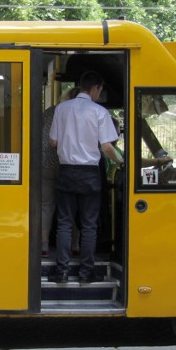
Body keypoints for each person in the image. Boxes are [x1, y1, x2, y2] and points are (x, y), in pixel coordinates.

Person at [48, 71, 123, 283]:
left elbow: (53, 142)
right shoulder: (99, 112)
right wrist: (120, 162)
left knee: (64, 223)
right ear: (96, 88)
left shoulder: (61, 109)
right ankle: (86, 272)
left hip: (66, 172)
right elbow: (107, 146)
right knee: (89, 224)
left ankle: (61, 272)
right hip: (89, 173)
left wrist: (69, 142)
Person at [41, 87, 79, 257]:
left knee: (46, 205)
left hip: (44, 165)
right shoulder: (77, 114)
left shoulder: (50, 112)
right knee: (71, 205)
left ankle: (44, 243)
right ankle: (74, 244)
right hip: (68, 165)